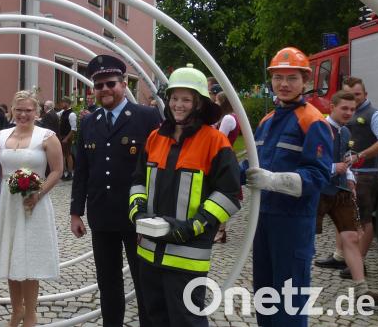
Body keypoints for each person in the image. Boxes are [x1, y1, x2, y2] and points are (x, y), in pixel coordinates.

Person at [129, 65, 241, 326]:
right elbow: (137, 182)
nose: (179, 105)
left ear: (199, 103)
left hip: (188, 253)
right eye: (174, 98)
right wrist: (138, 212)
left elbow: (229, 194)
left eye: (186, 99)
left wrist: (195, 225)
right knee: (155, 317)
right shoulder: (155, 138)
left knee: (187, 320)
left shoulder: (215, 142)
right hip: (148, 251)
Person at [243, 47, 333, 327]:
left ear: (305, 81)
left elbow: (318, 176)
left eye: (291, 78)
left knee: (290, 299)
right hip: (263, 219)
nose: (284, 84)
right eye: (278, 77)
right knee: (265, 294)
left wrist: (272, 180)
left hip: (293, 223)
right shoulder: (266, 122)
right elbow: (250, 164)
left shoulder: (313, 121)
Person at [69, 55, 161, 326]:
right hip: (102, 215)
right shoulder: (88, 122)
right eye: (98, 86)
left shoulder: (146, 116)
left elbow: (158, 166)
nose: (105, 90)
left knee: (143, 279)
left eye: (110, 83)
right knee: (108, 281)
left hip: (137, 216)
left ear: (123, 84)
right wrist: (76, 212)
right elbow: (82, 171)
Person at [0, 91, 64, 327]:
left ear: (36, 112)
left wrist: (38, 194)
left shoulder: (47, 136)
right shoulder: (0, 136)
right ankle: (16, 310)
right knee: (11, 258)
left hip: (33, 204)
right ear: (11, 110)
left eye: (28, 110)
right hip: (8, 203)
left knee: (29, 260)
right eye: (19, 110)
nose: (23, 114)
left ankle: (31, 314)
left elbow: (57, 170)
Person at [338, 76, 378, 280]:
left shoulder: (373, 114)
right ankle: (343, 257)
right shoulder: (349, 112)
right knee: (349, 218)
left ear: (365, 95)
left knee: (364, 220)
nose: (353, 99)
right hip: (349, 175)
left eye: (357, 95)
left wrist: (361, 156)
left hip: (366, 176)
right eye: (349, 95)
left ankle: (358, 263)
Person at [212, 91, 241, 243]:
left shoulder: (228, 118)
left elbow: (219, 137)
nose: (215, 103)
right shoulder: (232, 116)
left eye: (217, 101)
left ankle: (221, 231)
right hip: (226, 155)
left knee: (220, 192)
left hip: (223, 157)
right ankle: (220, 230)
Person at [57, 97, 77, 180]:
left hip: (67, 137)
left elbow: (73, 129)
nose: (61, 104)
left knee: (68, 154)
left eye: (63, 102)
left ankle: (70, 173)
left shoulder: (72, 114)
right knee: (63, 155)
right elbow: (55, 114)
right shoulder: (63, 112)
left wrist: (66, 138)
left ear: (67, 103)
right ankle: (62, 173)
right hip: (62, 136)